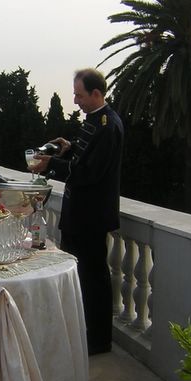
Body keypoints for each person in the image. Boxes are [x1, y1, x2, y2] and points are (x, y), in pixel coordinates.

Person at [34, 68, 123, 355]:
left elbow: (89, 173)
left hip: (91, 216)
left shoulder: (108, 125)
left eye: (79, 95)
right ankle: (84, 332)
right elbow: (85, 157)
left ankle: (99, 340)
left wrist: (51, 165)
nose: (75, 101)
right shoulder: (95, 121)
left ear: (96, 94)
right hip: (79, 213)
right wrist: (69, 148)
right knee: (80, 275)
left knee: (94, 277)